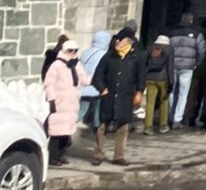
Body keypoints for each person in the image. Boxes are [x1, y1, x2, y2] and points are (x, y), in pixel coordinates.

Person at [91, 24, 145, 165]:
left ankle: (118, 156)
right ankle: (99, 154)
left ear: (128, 41)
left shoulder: (135, 57)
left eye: (120, 40)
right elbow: (98, 75)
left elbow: (141, 76)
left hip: (125, 96)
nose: (117, 42)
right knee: (102, 126)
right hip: (109, 96)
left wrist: (139, 91)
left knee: (123, 127)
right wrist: (102, 88)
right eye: (116, 40)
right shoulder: (109, 56)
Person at [43, 39, 87, 166]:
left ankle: (62, 155)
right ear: (64, 51)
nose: (72, 53)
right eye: (70, 50)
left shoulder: (76, 65)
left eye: (75, 51)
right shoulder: (56, 65)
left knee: (66, 132)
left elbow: (83, 79)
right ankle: (53, 157)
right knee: (56, 132)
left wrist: (96, 80)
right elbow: (49, 83)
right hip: (60, 103)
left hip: (72, 103)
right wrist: (51, 99)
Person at [169, 12, 205, 127]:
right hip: (188, 67)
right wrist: (196, 63)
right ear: (191, 20)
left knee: (172, 91)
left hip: (173, 66)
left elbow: (167, 49)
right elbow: (201, 51)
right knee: (183, 93)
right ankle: (177, 119)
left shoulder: (172, 33)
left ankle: (170, 115)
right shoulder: (197, 34)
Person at [143, 35, 175, 134]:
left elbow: (145, 64)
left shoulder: (150, 48)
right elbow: (170, 67)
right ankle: (163, 126)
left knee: (149, 103)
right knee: (164, 102)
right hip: (163, 79)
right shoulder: (169, 50)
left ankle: (148, 127)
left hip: (150, 78)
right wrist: (171, 82)